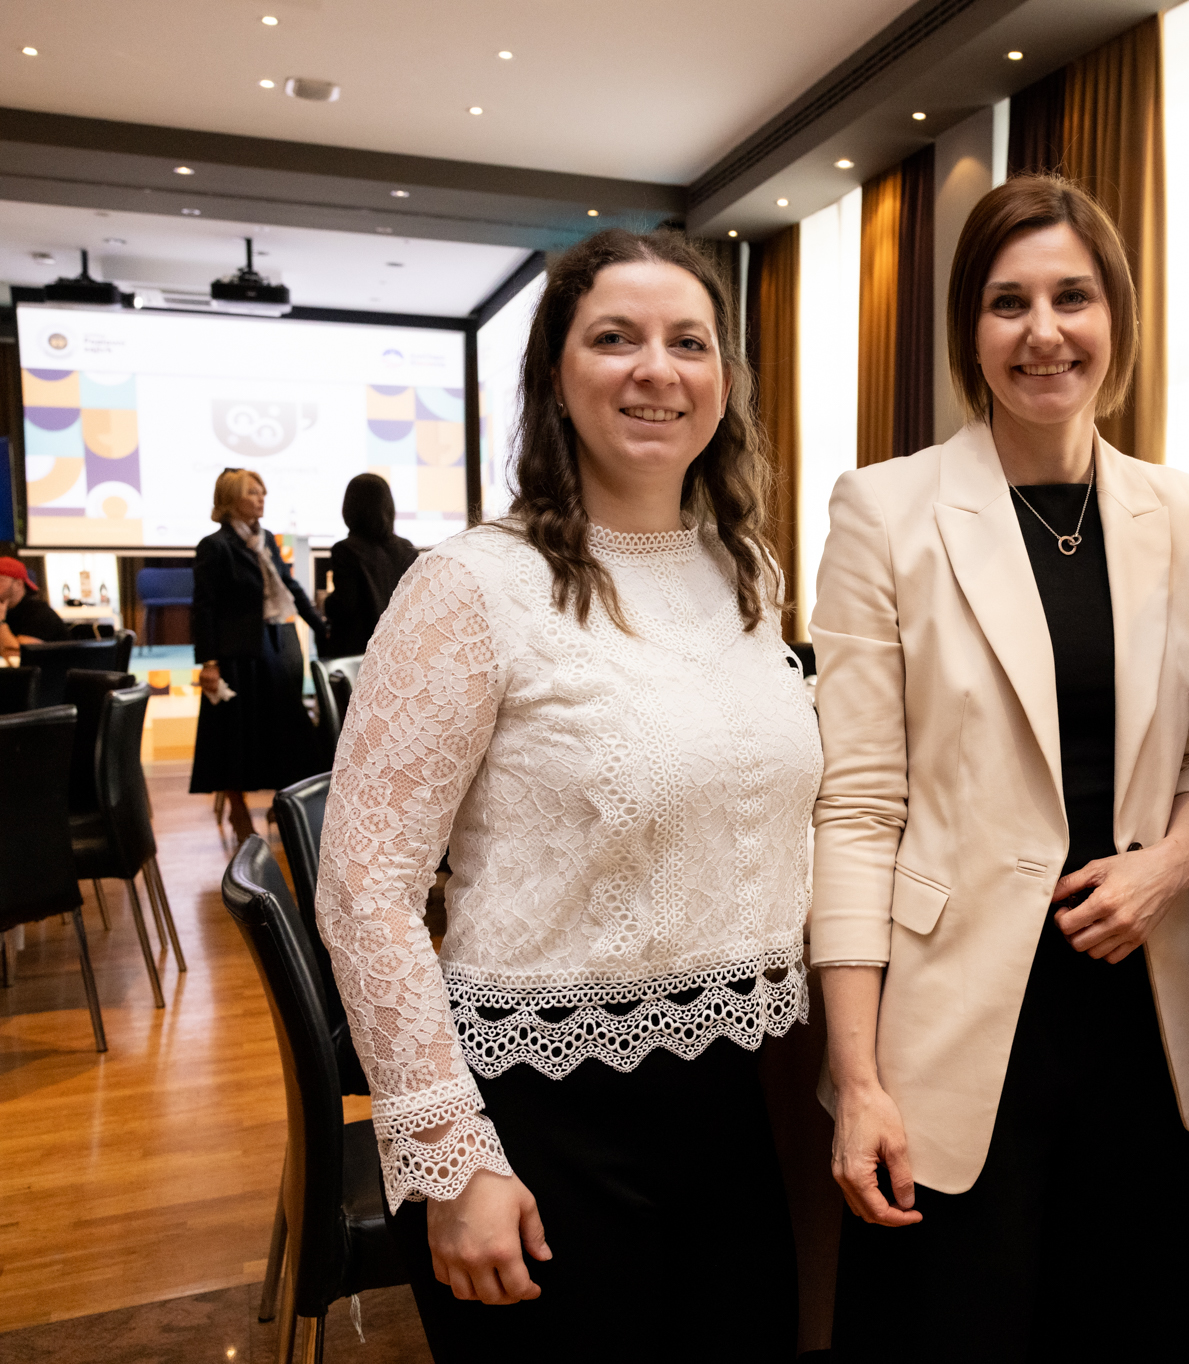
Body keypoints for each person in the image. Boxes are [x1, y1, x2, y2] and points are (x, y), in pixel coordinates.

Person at [315, 228, 818, 1360]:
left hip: (732, 1100)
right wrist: (453, 1158)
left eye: (688, 342)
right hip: (539, 1117)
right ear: (555, 372)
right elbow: (363, 884)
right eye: (615, 338)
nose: (656, 370)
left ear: (725, 379)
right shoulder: (471, 585)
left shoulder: (743, 569)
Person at [812, 174, 1189, 1363]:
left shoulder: (1182, 511)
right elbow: (855, 806)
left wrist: (1170, 863)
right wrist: (856, 1075)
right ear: (971, 329)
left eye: (1071, 297)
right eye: (1008, 302)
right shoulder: (884, 510)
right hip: (951, 1026)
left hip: (1147, 1020)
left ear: (1115, 317)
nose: (1042, 331)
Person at [190, 469, 326, 842]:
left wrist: (320, 625)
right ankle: (238, 810)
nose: (261, 498)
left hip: (276, 643)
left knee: (286, 730)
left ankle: (285, 805)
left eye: (262, 492)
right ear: (231, 499)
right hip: (236, 652)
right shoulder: (215, 546)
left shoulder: (265, 539)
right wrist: (209, 662)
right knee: (235, 734)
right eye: (252, 492)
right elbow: (204, 607)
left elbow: (289, 585)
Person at [321, 472, 417, 658]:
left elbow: (344, 606)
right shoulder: (407, 549)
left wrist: (325, 603)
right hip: (399, 650)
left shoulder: (345, 550)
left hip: (358, 654)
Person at [0, 556, 69, 661]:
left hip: (54, 670)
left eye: (1, 580)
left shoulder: (39, 613)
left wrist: (1, 622)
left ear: (18, 584)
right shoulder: (8, 611)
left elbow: (17, 655)